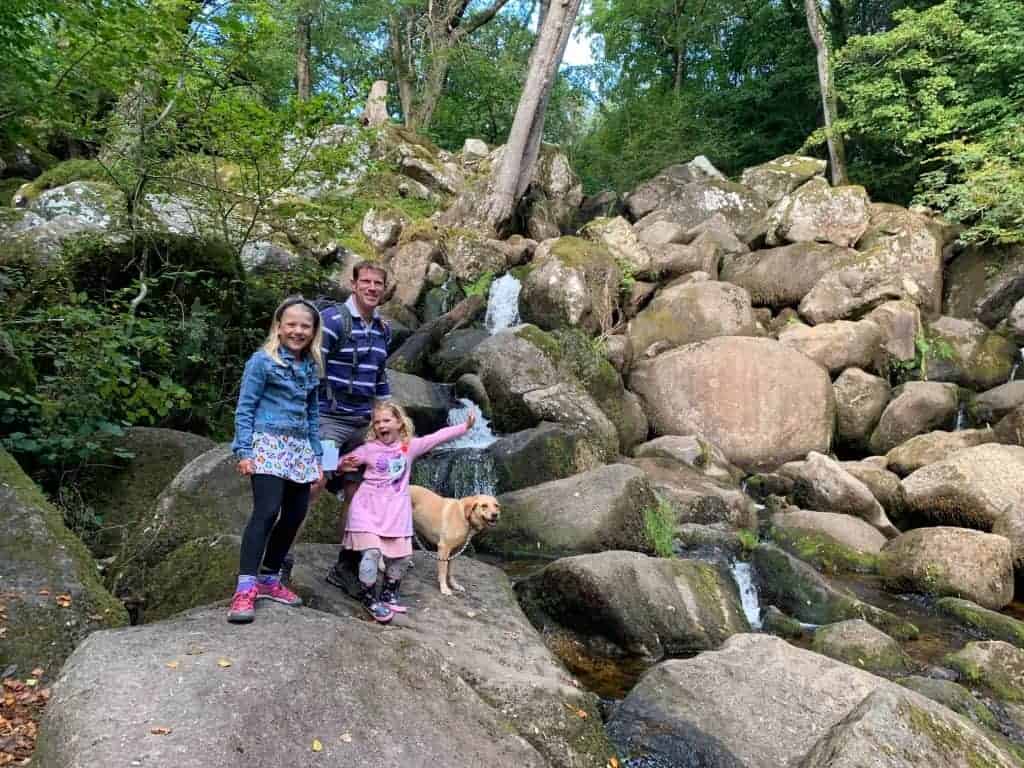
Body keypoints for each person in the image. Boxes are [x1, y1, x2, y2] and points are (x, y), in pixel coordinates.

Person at [227, 296, 324, 624]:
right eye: (291, 324)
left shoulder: (311, 365)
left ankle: (270, 578)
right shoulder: (262, 361)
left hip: (298, 448)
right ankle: (245, 587)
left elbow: (312, 412)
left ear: (313, 331)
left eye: (305, 326)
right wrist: (244, 450)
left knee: (295, 513)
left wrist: (316, 453)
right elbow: (246, 406)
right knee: (267, 511)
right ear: (279, 327)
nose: (297, 331)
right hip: (267, 443)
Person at [339, 401, 475, 622]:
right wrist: (342, 465)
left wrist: (463, 428)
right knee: (372, 553)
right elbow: (347, 461)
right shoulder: (369, 448)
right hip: (367, 507)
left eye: (386, 420)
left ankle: (389, 593)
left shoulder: (408, 447)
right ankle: (369, 598)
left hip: (395, 510)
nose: (381, 425)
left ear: (399, 422)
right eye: (377, 422)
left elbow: (437, 437)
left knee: (402, 557)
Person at [306, 261, 393, 588]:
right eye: (366, 282)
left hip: (362, 426)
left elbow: (380, 379)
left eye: (378, 284)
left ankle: (346, 566)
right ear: (353, 284)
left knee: (360, 494)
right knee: (315, 483)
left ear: (384, 289)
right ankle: (278, 563)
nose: (372, 288)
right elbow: (311, 368)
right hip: (329, 422)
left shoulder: (384, 330)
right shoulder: (331, 322)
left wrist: (387, 425)